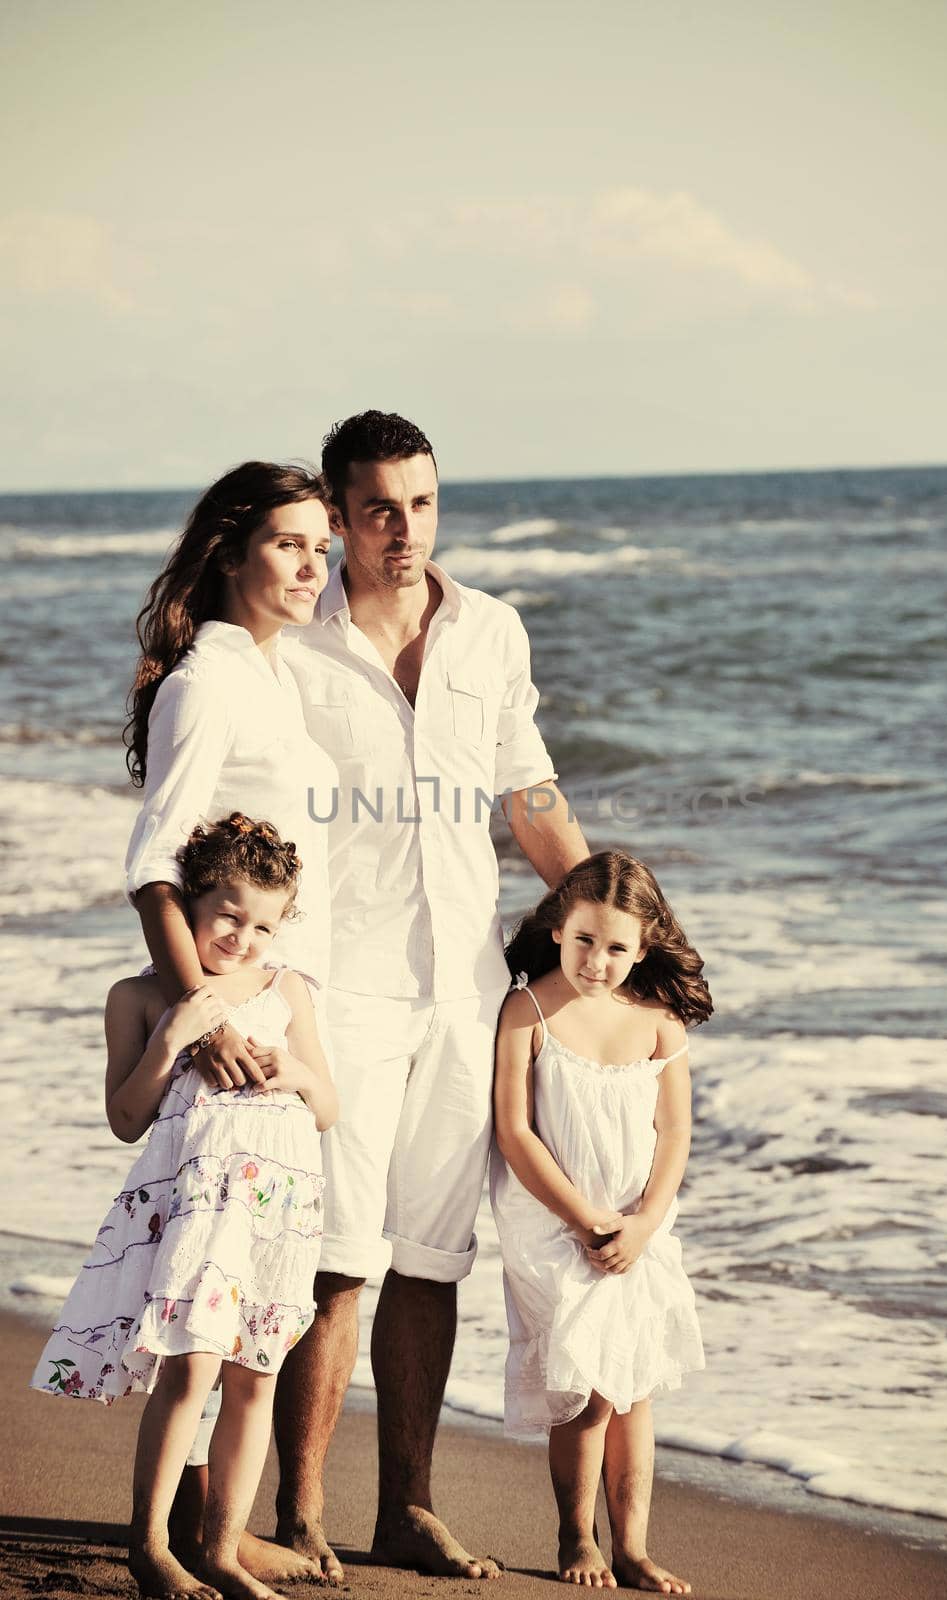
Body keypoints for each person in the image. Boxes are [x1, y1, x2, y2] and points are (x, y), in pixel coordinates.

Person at [274, 409, 589, 1582]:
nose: (401, 530)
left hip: (463, 991)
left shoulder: (489, 631)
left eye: (420, 503)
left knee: (428, 1258)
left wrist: (621, 915)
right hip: (333, 990)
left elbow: (529, 793)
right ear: (337, 511)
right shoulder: (287, 639)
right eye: (375, 508)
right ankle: (297, 1511)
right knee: (334, 1258)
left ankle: (403, 1505)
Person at [123, 462, 340, 1588]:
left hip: (272, 1014)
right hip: (228, 1029)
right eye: (293, 545)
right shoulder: (205, 680)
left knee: (253, 1309)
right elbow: (155, 865)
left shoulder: (271, 671)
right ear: (231, 552)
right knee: (204, 1314)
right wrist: (202, 1015)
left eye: (322, 547)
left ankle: (216, 1532)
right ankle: (163, 1539)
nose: (315, 566)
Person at [31, 813, 339, 1600]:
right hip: (198, 1207)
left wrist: (296, 1072)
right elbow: (125, 1117)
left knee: (253, 1374)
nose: (242, 937)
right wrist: (171, 1040)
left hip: (275, 1213)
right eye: (227, 915)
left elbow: (329, 1106)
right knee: (192, 1365)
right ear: (189, 906)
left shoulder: (288, 990)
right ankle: (151, 1543)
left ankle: (223, 1548)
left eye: (263, 924)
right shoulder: (136, 996)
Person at [490, 850, 712, 1594]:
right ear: (558, 928)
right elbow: (515, 1133)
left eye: (617, 947)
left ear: (644, 947)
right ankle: (574, 1536)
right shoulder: (529, 1010)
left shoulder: (657, 1020)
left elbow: (675, 1134)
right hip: (554, 1223)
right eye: (584, 939)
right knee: (587, 1391)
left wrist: (644, 1223)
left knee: (633, 1386)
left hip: (635, 1228)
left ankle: (634, 1548)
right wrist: (586, 1220)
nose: (598, 960)